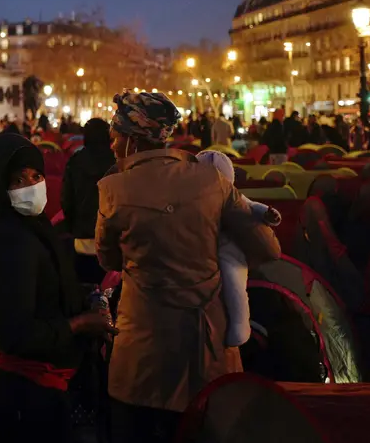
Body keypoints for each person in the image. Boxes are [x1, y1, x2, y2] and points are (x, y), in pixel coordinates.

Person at [97, 90, 280, 443]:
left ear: (133, 140)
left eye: (115, 135)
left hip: (143, 346)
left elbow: (109, 260)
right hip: (206, 341)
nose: (112, 144)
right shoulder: (213, 180)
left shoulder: (112, 188)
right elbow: (267, 247)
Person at [0, 132, 116, 440]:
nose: (31, 187)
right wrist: (79, 324)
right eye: (18, 180)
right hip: (23, 394)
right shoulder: (11, 242)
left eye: (36, 176)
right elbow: (16, 334)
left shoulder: (9, 223)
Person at [196, 150, 283, 346]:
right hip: (220, 248)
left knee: (234, 281)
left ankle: (240, 325)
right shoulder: (229, 197)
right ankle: (239, 325)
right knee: (235, 284)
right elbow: (270, 248)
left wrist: (268, 215)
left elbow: (252, 206)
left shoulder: (228, 198)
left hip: (225, 249)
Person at [60, 117, 115, 284]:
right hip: (112, 239)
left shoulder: (75, 162)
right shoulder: (117, 163)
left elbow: (67, 199)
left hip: (82, 237)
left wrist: (73, 226)